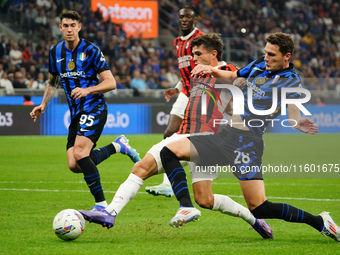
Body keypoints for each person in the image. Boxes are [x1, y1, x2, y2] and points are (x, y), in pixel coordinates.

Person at [78, 33, 273, 239]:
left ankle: (112, 212)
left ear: (213, 54)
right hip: (200, 139)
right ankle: (255, 220)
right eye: (192, 54)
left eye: (198, 54)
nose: (194, 58)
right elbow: (228, 104)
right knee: (205, 199)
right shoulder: (198, 74)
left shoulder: (226, 70)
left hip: (198, 136)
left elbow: (237, 81)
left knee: (143, 168)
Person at [159, 32, 340, 241]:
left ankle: (320, 221)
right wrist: (212, 70)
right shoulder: (258, 65)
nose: (266, 57)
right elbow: (233, 75)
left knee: (260, 208)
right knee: (169, 151)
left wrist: (298, 123)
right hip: (225, 134)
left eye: (272, 55)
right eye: (265, 53)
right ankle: (186, 207)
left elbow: (293, 115)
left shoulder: (292, 81)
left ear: (286, 56)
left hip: (246, 144)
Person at [30, 10, 141, 210]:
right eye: (66, 25)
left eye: (73, 25)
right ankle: (118, 146)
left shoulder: (91, 50)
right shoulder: (55, 52)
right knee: (74, 164)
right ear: (60, 27)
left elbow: (111, 82)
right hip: (76, 113)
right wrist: (43, 104)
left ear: (79, 27)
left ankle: (101, 206)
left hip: (94, 107)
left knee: (81, 152)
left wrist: (88, 89)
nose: (70, 29)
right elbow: (53, 80)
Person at [145, 6, 205, 197]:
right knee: (169, 132)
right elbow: (185, 71)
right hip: (185, 92)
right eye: (181, 17)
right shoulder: (178, 42)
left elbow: (212, 64)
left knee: (189, 138)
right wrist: (177, 88)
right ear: (178, 19)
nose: (184, 19)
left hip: (200, 93)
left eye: (188, 16)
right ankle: (169, 183)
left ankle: (191, 173)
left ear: (195, 19)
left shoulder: (201, 39)